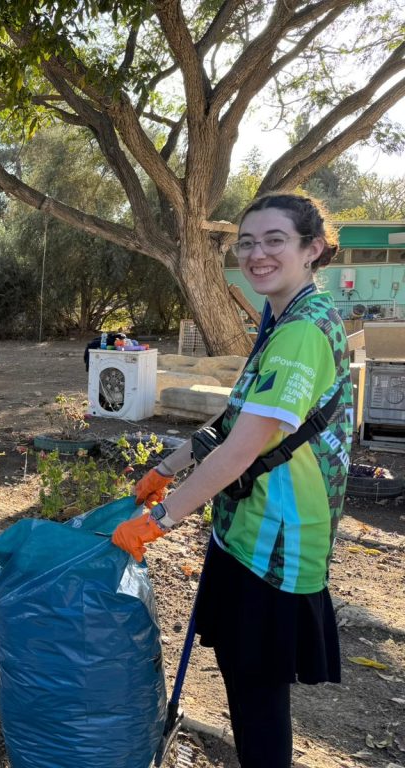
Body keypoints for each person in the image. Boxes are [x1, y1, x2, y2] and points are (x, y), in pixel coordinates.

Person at [112, 193, 351, 768]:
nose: (257, 254)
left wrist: (158, 523)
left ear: (312, 249)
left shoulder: (302, 331)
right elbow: (238, 416)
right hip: (245, 531)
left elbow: (243, 450)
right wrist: (165, 470)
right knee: (245, 683)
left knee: (258, 696)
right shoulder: (283, 318)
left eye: (274, 240)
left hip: (278, 542)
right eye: (246, 242)